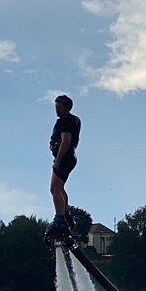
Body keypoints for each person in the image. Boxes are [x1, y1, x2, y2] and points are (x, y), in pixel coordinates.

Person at [47, 94, 81, 240]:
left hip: (65, 157)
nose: (57, 110)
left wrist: (58, 161)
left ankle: (60, 218)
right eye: (55, 107)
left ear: (66, 107)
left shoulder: (65, 121)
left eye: (59, 107)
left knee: (55, 188)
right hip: (69, 157)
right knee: (58, 188)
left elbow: (66, 141)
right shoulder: (74, 120)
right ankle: (65, 214)